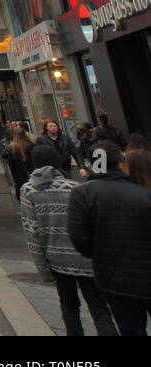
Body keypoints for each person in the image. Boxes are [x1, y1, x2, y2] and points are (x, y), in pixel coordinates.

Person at [20, 144, 118, 336]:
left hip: (56, 259)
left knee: (69, 307)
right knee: (100, 311)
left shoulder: (29, 191)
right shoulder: (77, 188)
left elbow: (32, 232)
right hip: (86, 258)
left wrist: (43, 269)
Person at [68, 141, 151, 336]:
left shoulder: (83, 193)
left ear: (91, 163)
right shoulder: (143, 192)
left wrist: (100, 252)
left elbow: (80, 238)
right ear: (121, 163)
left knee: (131, 329)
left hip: (113, 276)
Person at [5, 127, 35, 200]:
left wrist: (14, 178)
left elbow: (12, 167)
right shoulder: (32, 145)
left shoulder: (11, 148)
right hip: (32, 175)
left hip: (20, 177)